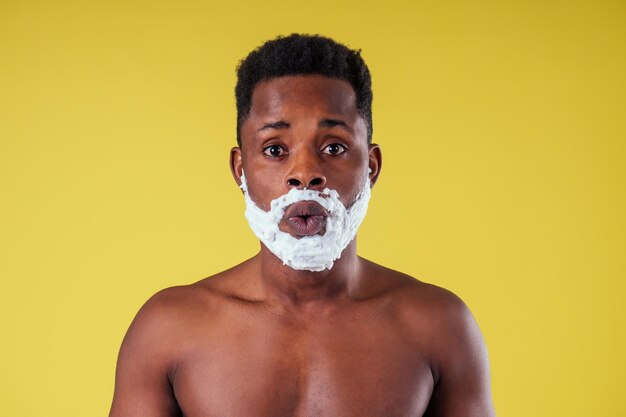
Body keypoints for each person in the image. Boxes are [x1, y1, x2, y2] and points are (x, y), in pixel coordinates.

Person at [109, 33, 496, 417]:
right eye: (276, 149)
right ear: (240, 170)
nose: (306, 174)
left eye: (334, 148)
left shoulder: (439, 326)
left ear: (371, 167)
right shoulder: (168, 330)